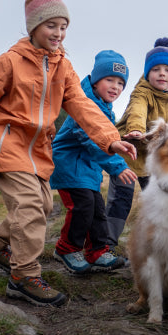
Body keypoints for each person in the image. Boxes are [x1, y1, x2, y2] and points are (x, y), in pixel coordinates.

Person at [0, 0, 136, 308]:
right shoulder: (10, 62)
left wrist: (110, 141)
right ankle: (23, 276)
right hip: (7, 145)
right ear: (34, 26)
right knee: (29, 210)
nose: (58, 33)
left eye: (63, 26)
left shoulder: (63, 68)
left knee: (40, 207)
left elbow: (84, 107)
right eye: (51, 25)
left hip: (40, 151)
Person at [50, 50, 137, 274]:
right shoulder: (85, 105)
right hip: (70, 167)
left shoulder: (107, 110)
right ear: (96, 80)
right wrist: (117, 167)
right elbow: (91, 141)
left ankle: (97, 251)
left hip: (88, 171)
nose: (115, 87)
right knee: (82, 207)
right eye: (109, 80)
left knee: (97, 210)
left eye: (120, 83)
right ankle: (66, 248)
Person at [106, 37, 168, 255]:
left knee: (160, 201)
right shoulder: (142, 92)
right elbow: (137, 110)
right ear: (147, 73)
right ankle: (105, 245)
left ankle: (160, 244)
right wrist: (135, 129)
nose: (162, 73)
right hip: (128, 154)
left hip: (153, 161)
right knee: (121, 201)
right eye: (157, 69)